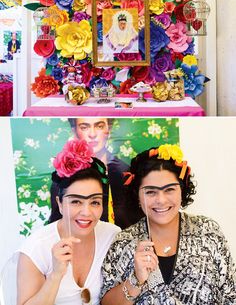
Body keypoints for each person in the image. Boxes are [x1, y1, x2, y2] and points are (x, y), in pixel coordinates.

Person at [101, 144, 236, 305]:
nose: (161, 200)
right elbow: (106, 303)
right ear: (137, 195)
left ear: (182, 190)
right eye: (150, 192)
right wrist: (135, 279)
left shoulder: (208, 232)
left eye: (169, 190)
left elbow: (230, 294)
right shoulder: (124, 242)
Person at [17, 138, 120, 305]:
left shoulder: (112, 236)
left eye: (95, 202)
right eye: (76, 201)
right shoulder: (36, 247)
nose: (86, 212)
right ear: (60, 203)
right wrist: (55, 275)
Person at [68, 118, 130, 229]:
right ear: (74, 131)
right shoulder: (66, 174)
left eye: (99, 126)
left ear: (109, 129)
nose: (92, 134)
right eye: (84, 127)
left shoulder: (125, 172)